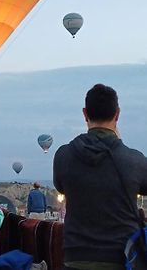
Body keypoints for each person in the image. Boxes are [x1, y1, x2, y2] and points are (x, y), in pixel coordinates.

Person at [53, 84, 147, 269]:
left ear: (85, 113)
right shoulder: (133, 160)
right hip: (122, 259)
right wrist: (118, 143)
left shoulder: (63, 156)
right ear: (117, 114)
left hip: (75, 259)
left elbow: (60, 186)